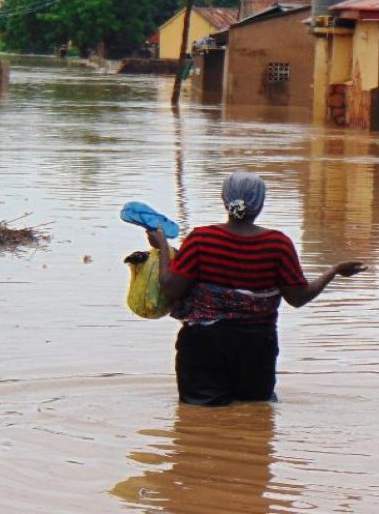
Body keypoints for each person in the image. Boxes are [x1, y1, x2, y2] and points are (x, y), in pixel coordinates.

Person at [146, 171, 367, 406]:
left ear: (224, 199)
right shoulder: (278, 244)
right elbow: (298, 298)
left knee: (198, 421)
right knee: (255, 414)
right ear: (260, 204)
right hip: (257, 346)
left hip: (204, 344)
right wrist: (332, 271)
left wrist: (162, 247)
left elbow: (171, 289)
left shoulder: (202, 239)